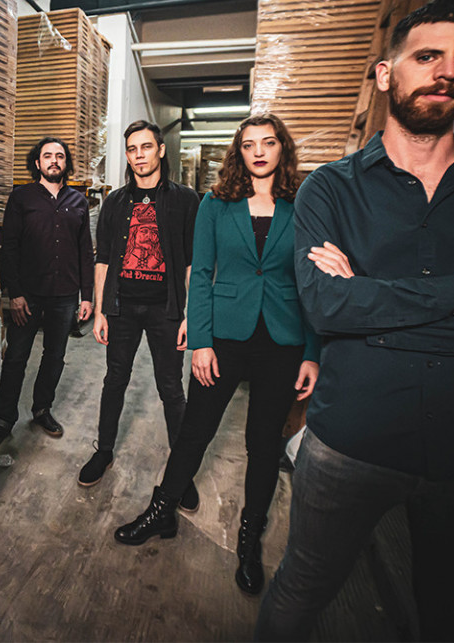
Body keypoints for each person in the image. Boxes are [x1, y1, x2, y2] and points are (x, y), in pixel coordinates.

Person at [255, 0, 454, 641]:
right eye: (427, 56)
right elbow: (327, 306)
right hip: (353, 441)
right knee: (302, 586)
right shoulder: (330, 189)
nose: (446, 72)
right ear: (386, 73)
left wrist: (369, 301)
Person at [113, 115, 320, 598]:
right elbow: (201, 273)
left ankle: (249, 538)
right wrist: (201, 341)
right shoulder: (216, 203)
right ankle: (162, 512)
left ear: (282, 148)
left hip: (283, 340)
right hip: (225, 336)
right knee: (195, 430)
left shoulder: (304, 205)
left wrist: (312, 352)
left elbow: (311, 284)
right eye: (249, 144)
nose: (259, 151)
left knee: (263, 444)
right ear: (238, 152)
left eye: (268, 143)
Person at [81, 120, 200, 502]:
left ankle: (181, 471)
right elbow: (102, 260)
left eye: (146, 147)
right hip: (122, 307)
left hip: (166, 308)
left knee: (171, 388)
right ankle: (103, 451)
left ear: (161, 150)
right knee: (115, 379)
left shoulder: (185, 200)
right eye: (132, 149)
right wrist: (101, 311)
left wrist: (190, 313)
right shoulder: (115, 202)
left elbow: (192, 263)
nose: (139, 155)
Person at [0, 137, 93, 450]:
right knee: (16, 357)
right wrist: (14, 294)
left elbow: (85, 252)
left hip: (65, 295)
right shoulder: (22, 197)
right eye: (48, 156)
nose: (54, 160)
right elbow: (10, 247)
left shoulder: (78, 201)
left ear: (66, 162)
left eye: (60, 156)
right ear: (37, 163)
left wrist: (87, 296)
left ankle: (42, 409)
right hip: (27, 295)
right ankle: (3, 419)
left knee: (54, 356)